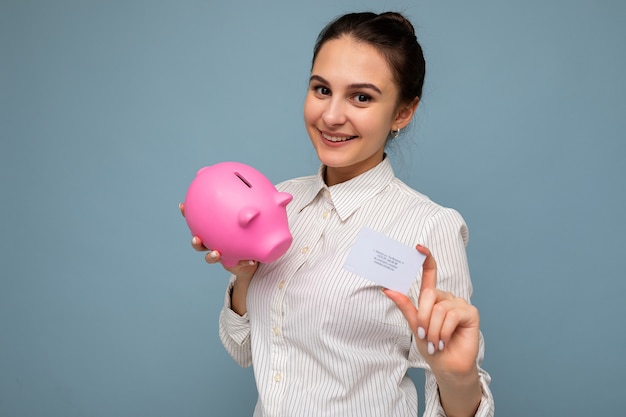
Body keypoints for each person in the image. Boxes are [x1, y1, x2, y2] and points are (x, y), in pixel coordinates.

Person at [181, 11, 494, 417]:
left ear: (403, 112)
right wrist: (244, 277)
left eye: (361, 97)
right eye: (322, 89)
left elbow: (453, 378)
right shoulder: (280, 201)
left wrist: (457, 376)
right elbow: (244, 349)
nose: (331, 116)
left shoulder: (429, 227)